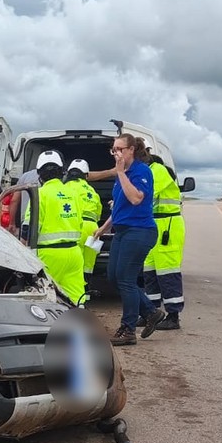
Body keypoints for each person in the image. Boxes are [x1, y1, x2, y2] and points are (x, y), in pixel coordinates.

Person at [92, 134, 165, 345]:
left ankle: (128, 329)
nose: (116, 153)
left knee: (126, 279)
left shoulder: (141, 171)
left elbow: (135, 198)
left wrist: (121, 173)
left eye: (120, 149)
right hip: (123, 231)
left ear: (131, 150)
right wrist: (103, 228)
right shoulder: (122, 173)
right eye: (113, 149)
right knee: (114, 276)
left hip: (140, 231)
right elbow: (119, 207)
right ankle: (151, 312)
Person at [21, 150, 85, 305]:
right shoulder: (73, 193)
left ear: (39, 174)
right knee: (76, 297)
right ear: (62, 171)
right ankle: (81, 319)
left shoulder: (39, 195)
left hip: (49, 255)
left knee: (46, 297)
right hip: (74, 253)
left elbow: (28, 228)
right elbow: (80, 222)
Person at [143, 154, 185, 329]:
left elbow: (146, 194)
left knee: (167, 272)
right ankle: (151, 313)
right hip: (155, 224)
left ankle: (173, 317)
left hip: (167, 225)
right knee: (149, 272)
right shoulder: (150, 170)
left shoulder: (157, 170)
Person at [62, 159, 103, 283]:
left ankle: (74, 289)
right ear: (86, 175)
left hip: (76, 226)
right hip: (93, 229)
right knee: (88, 264)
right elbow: (98, 213)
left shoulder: (65, 187)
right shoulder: (92, 190)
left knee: (75, 262)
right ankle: (86, 289)